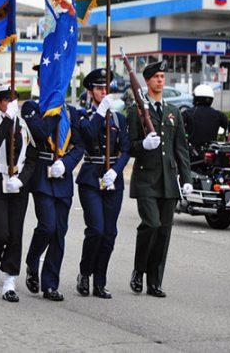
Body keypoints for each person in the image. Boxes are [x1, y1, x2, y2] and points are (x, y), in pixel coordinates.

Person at [127, 60, 192, 298]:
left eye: (163, 77)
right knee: (151, 225)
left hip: (169, 180)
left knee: (164, 232)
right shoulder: (136, 111)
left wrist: (186, 178)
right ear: (147, 81)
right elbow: (130, 147)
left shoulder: (173, 112)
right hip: (146, 179)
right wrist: (143, 145)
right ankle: (138, 270)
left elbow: (181, 148)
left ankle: (154, 281)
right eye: (156, 77)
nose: (160, 81)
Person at [23, 67, 85, 302]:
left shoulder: (72, 113)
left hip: (62, 177)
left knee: (59, 232)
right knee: (47, 226)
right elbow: (39, 134)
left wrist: (67, 164)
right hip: (41, 175)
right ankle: (32, 259)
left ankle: (50, 283)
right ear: (40, 81)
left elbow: (79, 146)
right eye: (48, 79)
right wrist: (53, 111)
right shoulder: (32, 108)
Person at [75, 69, 129, 299]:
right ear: (90, 92)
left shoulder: (119, 119)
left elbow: (126, 150)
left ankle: (100, 280)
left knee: (109, 233)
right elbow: (86, 133)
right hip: (90, 178)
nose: (103, 92)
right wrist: (100, 111)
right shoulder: (84, 116)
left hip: (112, 181)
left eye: (106, 89)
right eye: (99, 89)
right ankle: (84, 273)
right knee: (96, 229)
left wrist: (116, 172)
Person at [0, 84, 33, 303]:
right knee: (0, 232)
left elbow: (32, 158)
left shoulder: (24, 126)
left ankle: (10, 280)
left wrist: (21, 180)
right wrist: (7, 120)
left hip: (17, 184)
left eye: (14, 100)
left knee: (15, 234)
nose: (11, 104)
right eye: (6, 100)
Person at [183, 85, 230, 161]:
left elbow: (176, 129)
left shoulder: (187, 113)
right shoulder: (218, 114)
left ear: (196, 98)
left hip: (191, 156)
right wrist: (227, 144)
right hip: (212, 155)